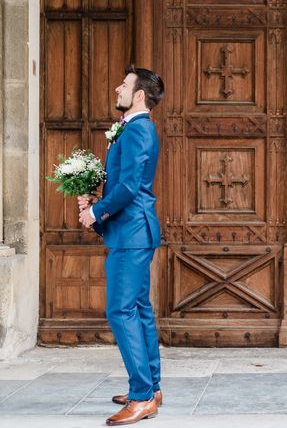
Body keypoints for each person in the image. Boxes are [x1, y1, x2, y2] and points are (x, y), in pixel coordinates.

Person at [78, 65, 164, 426]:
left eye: (124, 85)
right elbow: (121, 180)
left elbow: (130, 187)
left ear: (139, 94)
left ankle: (142, 396)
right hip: (131, 232)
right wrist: (91, 193)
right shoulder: (131, 129)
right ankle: (152, 387)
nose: (118, 88)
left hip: (132, 233)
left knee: (120, 311)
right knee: (139, 309)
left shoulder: (140, 130)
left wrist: (96, 211)